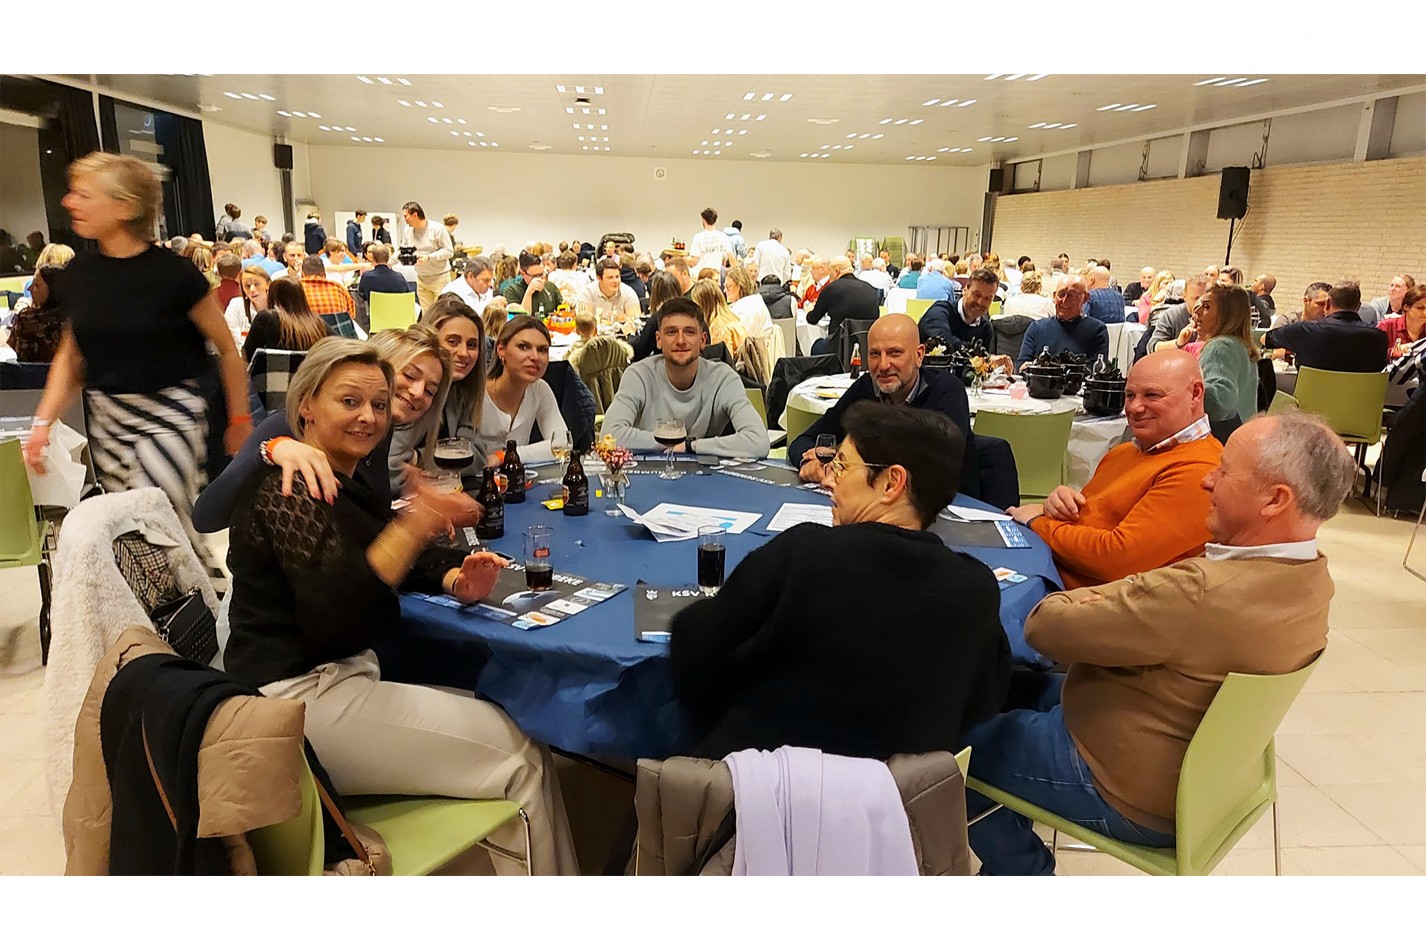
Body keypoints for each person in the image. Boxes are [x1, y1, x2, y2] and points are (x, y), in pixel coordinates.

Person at [220, 337, 577, 875]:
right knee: (522, 757)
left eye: (378, 405)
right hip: (296, 706)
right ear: (307, 406)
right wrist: (416, 523)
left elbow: (379, 545)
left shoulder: (341, 478)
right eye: (350, 401)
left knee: (513, 723)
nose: (370, 416)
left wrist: (453, 575)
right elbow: (343, 611)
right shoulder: (288, 487)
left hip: (333, 682)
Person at [967, 411, 1352, 875]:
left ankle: (1021, 871)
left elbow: (1043, 626)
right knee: (996, 686)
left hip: (1119, 784)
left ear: (1275, 499)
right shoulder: (1313, 578)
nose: (1207, 480)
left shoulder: (1199, 591)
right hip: (1196, 773)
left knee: (942, 737)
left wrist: (1122, 586)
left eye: (1224, 471)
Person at [671, 401, 1010, 759]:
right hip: (901, 792)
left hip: (759, 782)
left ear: (892, 483)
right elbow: (983, 701)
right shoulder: (976, 588)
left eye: (842, 465)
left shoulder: (803, 553)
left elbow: (697, 648)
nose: (828, 478)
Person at [23, 152, 251, 584]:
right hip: (108, 417)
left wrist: (240, 420)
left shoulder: (176, 275)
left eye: (83, 194)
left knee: (162, 521)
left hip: (172, 412)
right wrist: (42, 424)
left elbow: (227, 350)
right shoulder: (80, 273)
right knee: (131, 531)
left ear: (125, 207)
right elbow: (71, 356)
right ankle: (176, 608)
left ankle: (203, 599)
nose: (69, 202)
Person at [1007, 349, 1222, 589]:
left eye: (1152, 395)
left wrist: (1037, 521)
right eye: (1129, 395)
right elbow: (1088, 519)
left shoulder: (1200, 471)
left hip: (1075, 598)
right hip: (1049, 571)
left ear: (1195, 394)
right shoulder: (1127, 452)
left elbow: (1115, 559)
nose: (1134, 408)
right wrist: (1058, 506)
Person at [791, 313, 972, 478]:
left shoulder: (946, 392)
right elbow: (805, 440)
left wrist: (849, 463)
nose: (883, 365)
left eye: (895, 353)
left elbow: (941, 466)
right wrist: (810, 461)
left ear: (919, 355)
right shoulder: (865, 388)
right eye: (875, 354)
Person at [602, 297, 769, 458]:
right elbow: (609, 435)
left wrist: (690, 446)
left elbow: (758, 441)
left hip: (702, 472)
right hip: (649, 471)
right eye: (671, 332)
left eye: (689, 332)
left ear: (702, 340)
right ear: (658, 340)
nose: (680, 340)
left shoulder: (723, 378)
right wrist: (672, 443)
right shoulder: (638, 375)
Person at [475, 315, 570, 466]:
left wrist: (504, 456)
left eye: (542, 350)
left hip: (517, 478)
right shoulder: (476, 393)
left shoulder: (539, 389)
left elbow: (562, 443)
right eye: (523, 347)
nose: (535, 357)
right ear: (501, 350)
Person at [1263, 280, 1388, 372]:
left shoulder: (1303, 330)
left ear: (1328, 304)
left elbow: (1264, 339)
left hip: (1311, 399)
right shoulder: (1379, 338)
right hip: (1361, 400)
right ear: (1358, 306)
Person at [420, 296, 488, 444]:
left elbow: (475, 450)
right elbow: (397, 455)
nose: (464, 353)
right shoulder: (411, 392)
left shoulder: (461, 394)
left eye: (471, 345)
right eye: (452, 342)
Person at [1192, 284, 1261, 427]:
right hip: (1244, 432)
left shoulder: (1220, 346)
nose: (1197, 311)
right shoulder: (1241, 345)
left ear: (1226, 315)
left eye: (1206, 307)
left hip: (1223, 435)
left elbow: (1220, 401)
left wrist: (1184, 387)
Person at [1016, 276, 1110, 369]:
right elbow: (1022, 365)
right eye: (1061, 294)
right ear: (1054, 297)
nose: (1064, 300)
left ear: (1085, 298)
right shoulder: (1036, 328)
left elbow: (1095, 369)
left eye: (1071, 295)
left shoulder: (1097, 330)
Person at [243, 275, 333, 362]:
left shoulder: (266, 318)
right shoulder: (316, 321)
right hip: (311, 371)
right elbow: (338, 345)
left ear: (272, 295)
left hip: (276, 372)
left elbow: (247, 354)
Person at [919, 267, 998, 351]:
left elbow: (983, 358)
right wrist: (977, 353)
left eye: (987, 298)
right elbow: (943, 342)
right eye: (977, 295)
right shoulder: (939, 312)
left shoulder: (986, 328)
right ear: (964, 290)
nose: (980, 302)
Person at [398, 201, 454, 311]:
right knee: (426, 314)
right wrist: (386, 261)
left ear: (415, 215)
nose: (405, 220)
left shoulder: (438, 229)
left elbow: (449, 251)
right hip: (422, 278)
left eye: (406, 216)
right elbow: (402, 250)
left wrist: (429, 257)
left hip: (440, 278)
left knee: (442, 312)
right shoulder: (408, 230)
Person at [807, 257, 879, 342]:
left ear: (836, 271)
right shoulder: (869, 288)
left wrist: (809, 309)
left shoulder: (831, 289)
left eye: (830, 272)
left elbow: (813, 319)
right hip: (867, 343)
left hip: (839, 344)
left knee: (817, 345)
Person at [7, 264, 67, 363]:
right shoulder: (75, 319)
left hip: (29, 372)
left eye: (36, 285)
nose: (29, 289)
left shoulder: (26, 318)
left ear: (52, 291)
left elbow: (14, 347)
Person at [689, 278, 749, 357]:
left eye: (696, 304)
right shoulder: (732, 317)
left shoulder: (718, 326)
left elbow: (723, 359)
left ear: (705, 305)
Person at [579, 256, 641, 331]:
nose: (615, 281)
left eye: (617, 277)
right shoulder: (588, 292)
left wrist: (626, 319)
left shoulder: (628, 292)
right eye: (610, 278)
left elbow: (636, 322)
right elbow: (583, 323)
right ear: (599, 278)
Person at [498, 249, 562, 316]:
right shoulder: (512, 291)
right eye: (535, 276)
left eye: (541, 274)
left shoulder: (550, 287)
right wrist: (529, 292)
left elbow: (562, 309)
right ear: (522, 273)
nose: (539, 279)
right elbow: (521, 319)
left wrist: (567, 303)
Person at [222, 264, 274, 347]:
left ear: (268, 284)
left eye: (257, 284)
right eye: (247, 286)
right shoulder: (236, 306)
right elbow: (230, 339)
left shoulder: (280, 307)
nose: (252, 290)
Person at [724, 264, 774, 339]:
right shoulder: (753, 301)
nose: (725, 290)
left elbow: (740, 340)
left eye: (728, 287)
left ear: (740, 286)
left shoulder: (747, 309)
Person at [1380, 284, 1426, 358]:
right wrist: (1392, 352)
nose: (1425, 312)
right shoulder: (1386, 326)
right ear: (1406, 307)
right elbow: (1373, 355)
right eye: (1420, 308)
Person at [689, 206, 733, 277]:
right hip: (715, 276)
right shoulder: (723, 237)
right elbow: (731, 257)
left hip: (700, 276)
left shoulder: (698, 237)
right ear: (715, 221)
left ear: (703, 220)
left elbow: (694, 261)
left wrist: (683, 259)